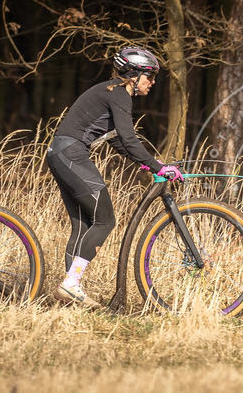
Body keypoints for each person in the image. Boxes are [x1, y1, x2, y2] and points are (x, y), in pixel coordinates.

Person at [45, 46, 183, 307]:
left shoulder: (112, 91)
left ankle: (69, 293)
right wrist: (158, 168)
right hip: (71, 154)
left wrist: (148, 164)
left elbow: (119, 141)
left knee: (84, 224)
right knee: (105, 221)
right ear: (134, 75)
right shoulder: (120, 93)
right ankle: (71, 284)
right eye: (150, 76)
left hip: (59, 153)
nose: (153, 82)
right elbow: (129, 138)